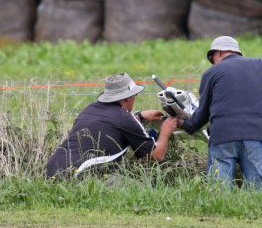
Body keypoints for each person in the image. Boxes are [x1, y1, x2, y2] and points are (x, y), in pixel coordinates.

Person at [177, 36, 262, 189]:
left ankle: (220, 213)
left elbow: (202, 116)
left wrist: (183, 124)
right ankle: (259, 212)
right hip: (254, 136)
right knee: (259, 191)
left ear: (217, 53)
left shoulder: (210, 73)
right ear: (237, 52)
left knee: (219, 190)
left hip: (222, 138)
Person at [46, 72, 177, 179]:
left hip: (52, 173)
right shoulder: (123, 117)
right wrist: (166, 130)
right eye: (134, 94)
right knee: (136, 190)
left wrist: (139, 117)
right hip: (77, 176)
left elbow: (112, 125)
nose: (135, 97)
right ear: (127, 98)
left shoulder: (90, 108)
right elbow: (156, 155)